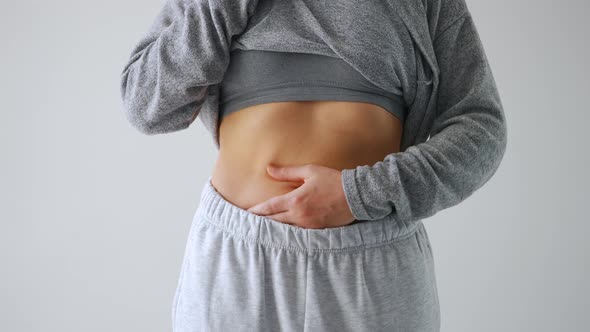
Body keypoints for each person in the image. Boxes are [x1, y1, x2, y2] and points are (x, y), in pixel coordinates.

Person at [119, 0, 507, 331]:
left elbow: (482, 128)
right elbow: (146, 106)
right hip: (237, 264)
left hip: (371, 262)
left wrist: (360, 195)